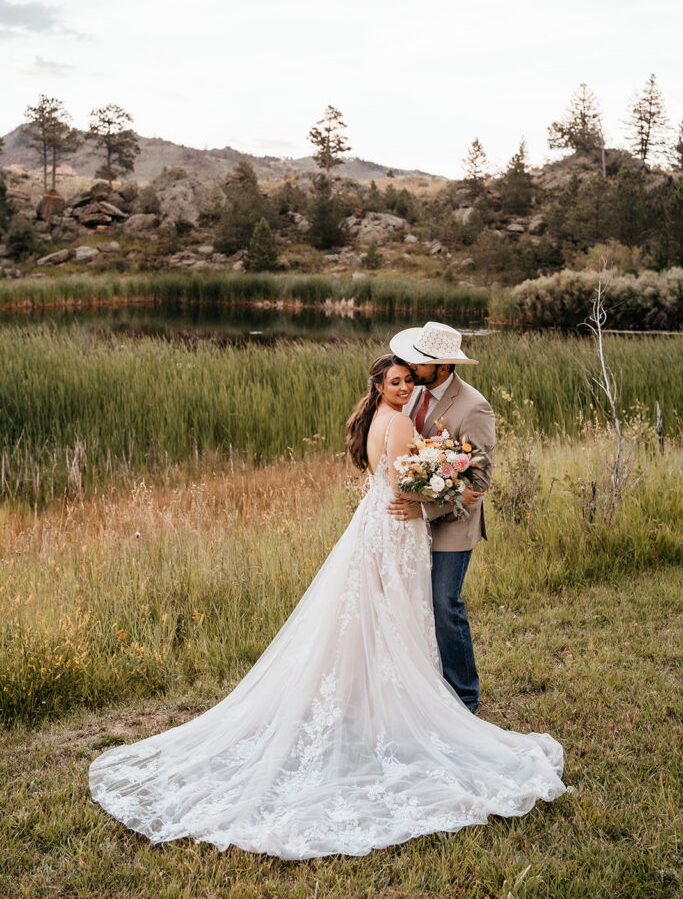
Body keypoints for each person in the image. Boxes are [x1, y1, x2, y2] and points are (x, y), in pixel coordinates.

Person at [90, 354, 564, 860]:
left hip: (380, 522)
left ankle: (381, 699)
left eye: (410, 378)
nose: (406, 386)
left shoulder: (384, 415)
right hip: (397, 527)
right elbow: (404, 484)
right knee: (397, 614)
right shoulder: (401, 420)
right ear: (380, 386)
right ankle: (404, 705)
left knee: (377, 614)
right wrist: (436, 478)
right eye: (397, 380)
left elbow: (404, 473)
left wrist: (431, 473)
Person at [388, 321, 495, 714]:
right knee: (413, 601)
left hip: (453, 524)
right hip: (410, 525)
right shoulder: (411, 392)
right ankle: (428, 686)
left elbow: (478, 482)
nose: (411, 367)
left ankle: (466, 696)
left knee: (443, 603)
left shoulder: (474, 406)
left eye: (420, 362)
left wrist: (425, 507)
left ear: (444, 366)